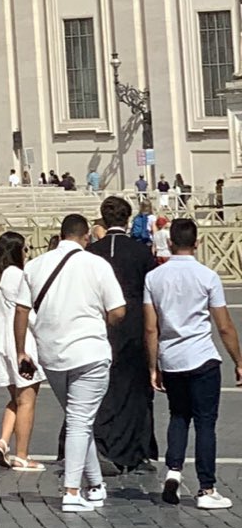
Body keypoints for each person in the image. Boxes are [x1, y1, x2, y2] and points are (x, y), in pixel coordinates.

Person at [16, 214, 127, 514]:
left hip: (51, 354)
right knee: (81, 420)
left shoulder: (36, 265)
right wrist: (100, 321)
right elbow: (118, 311)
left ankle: (94, 485)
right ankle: (72, 491)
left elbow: (21, 311)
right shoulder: (97, 265)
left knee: (80, 419)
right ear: (86, 237)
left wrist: (20, 352)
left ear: (61, 234)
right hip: (89, 351)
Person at [144, 217, 242, 510]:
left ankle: (173, 471)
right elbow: (224, 326)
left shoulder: (154, 278)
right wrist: (238, 360)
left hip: (171, 358)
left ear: (170, 242)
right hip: (201, 356)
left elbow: (151, 328)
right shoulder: (207, 276)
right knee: (205, 423)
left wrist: (153, 365)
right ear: (197, 243)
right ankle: (206, 488)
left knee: (178, 416)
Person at [89, 196, 159, 473]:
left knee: (102, 385)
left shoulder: (93, 252)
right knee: (135, 387)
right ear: (127, 220)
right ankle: (137, 449)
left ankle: (103, 444)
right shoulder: (141, 252)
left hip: (101, 321)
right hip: (134, 323)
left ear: (103, 220)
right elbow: (150, 293)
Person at [0, 231, 43, 471]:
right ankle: (22, 454)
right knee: (27, 399)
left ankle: (3, 441)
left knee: (17, 396)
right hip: (17, 339)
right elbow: (26, 312)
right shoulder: (16, 275)